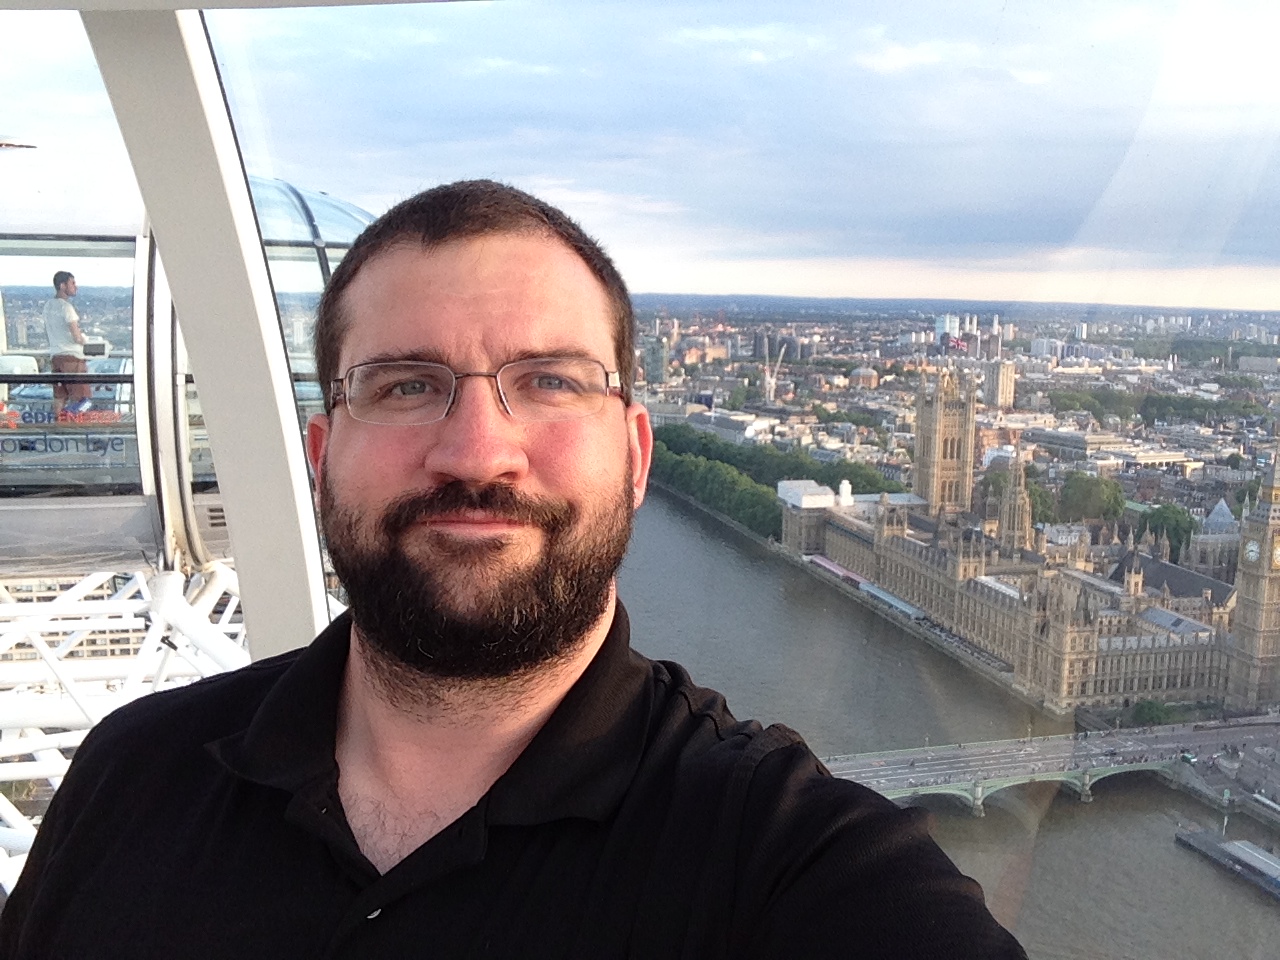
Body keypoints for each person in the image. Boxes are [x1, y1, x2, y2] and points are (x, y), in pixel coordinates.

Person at [0, 181, 1026, 959]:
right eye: (405, 386)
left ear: (634, 457)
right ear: (320, 461)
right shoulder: (130, 771)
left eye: (547, 380)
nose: (477, 452)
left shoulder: (793, 869)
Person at [41, 271, 92, 417]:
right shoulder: (66, 308)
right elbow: (77, 337)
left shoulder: (48, 306)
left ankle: (59, 429)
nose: (76, 287)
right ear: (63, 286)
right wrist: (85, 339)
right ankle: (77, 427)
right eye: (72, 283)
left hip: (56, 357)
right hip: (72, 358)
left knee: (60, 397)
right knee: (83, 399)